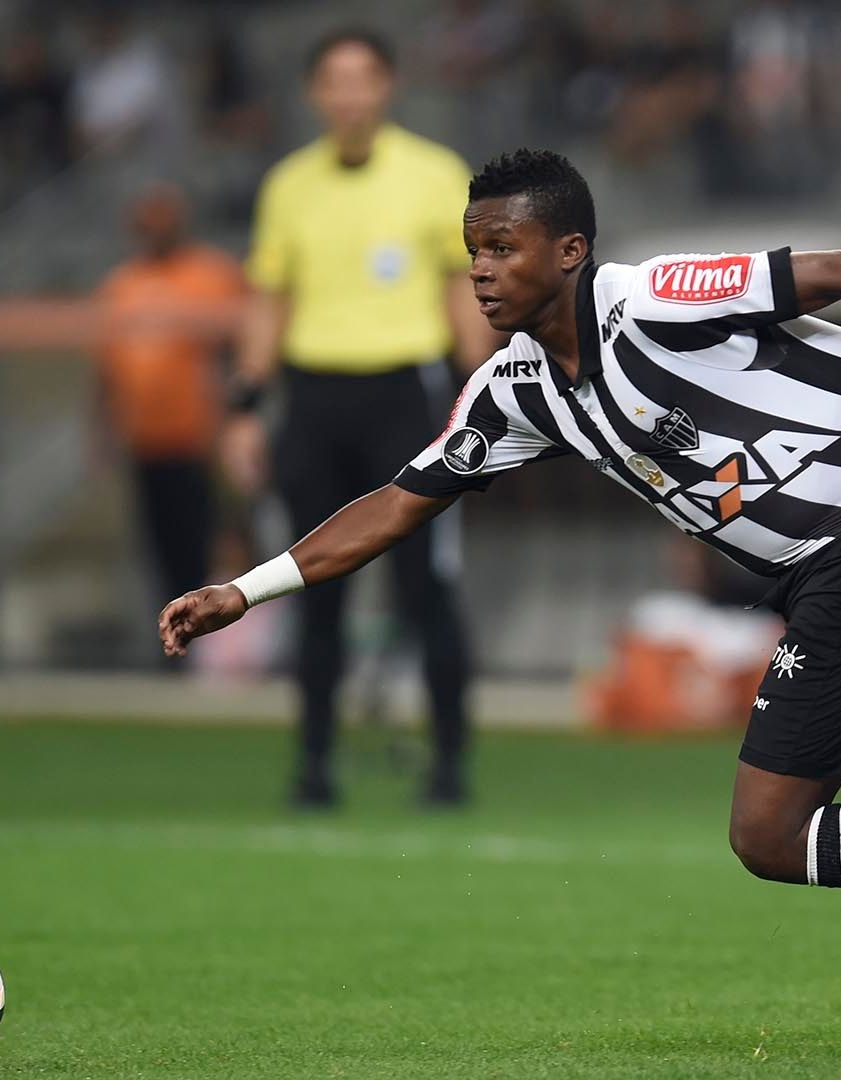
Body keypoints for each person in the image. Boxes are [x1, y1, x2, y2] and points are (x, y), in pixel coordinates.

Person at [161, 147, 841, 990]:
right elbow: (395, 503)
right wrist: (244, 591)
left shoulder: (654, 300)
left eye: (502, 248)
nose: (481, 272)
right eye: (473, 252)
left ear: (570, 250)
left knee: (769, 836)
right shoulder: (514, 389)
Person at [224, 28, 500, 808]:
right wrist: (246, 405)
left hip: (404, 400)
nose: (349, 94)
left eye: (364, 78)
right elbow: (270, 298)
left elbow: (464, 293)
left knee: (428, 587)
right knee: (311, 582)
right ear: (316, 93)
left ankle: (450, 765)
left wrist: (484, 396)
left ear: (387, 87)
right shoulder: (289, 186)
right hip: (313, 401)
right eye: (335, 80)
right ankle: (312, 766)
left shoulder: (433, 174)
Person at [95, 183, 245, 624]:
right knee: (159, 545)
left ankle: (216, 637)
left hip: (201, 440)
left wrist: (236, 419)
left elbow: (236, 350)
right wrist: (102, 431)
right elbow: (106, 369)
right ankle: (172, 630)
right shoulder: (123, 284)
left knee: (209, 540)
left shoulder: (210, 274)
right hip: (146, 440)